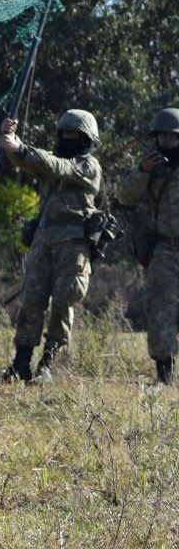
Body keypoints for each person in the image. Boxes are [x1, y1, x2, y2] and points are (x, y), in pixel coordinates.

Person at [0, 109, 102, 383]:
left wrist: (21, 147)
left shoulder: (89, 167)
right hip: (42, 241)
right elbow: (25, 161)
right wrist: (10, 140)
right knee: (32, 301)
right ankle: (20, 365)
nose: (68, 138)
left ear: (87, 138)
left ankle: (47, 365)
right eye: (64, 133)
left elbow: (57, 166)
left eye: (74, 135)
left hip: (73, 244)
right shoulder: (48, 165)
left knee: (63, 303)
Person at [115, 108, 179, 386]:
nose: (166, 140)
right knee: (160, 309)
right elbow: (124, 197)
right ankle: (165, 377)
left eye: (172, 136)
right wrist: (144, 170)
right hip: (165, 248)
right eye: (161, 135)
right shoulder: (150, 167)